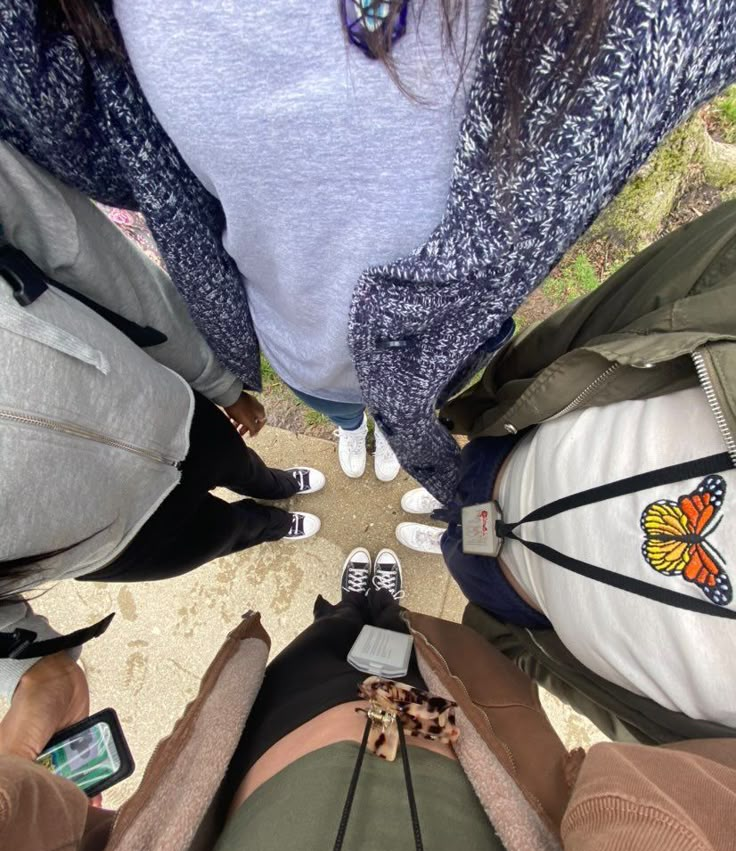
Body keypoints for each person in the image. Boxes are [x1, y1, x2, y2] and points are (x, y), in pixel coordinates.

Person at [0, 2, 734, 501]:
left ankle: (392, 434)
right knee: (339, 406)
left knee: (423, 407)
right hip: (296, 330)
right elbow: (66, 119)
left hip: (448, 344)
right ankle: (357, 429)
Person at [0, 549, 735, 851]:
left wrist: (17, 753)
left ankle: (355, 611)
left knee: (331, 649)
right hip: (461, 761)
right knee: (412, 656)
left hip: (281, 753)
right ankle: (377, 608)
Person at [398, 201, 736, 743]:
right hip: (520, 448)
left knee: (459, 556)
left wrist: (513, 645)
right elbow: (666, 288)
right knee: (460, 489)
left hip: (518, 597)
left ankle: (449, 529)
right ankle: (447, 509)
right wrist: (514, 384)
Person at [0, 142, 324, 700]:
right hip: (115, 543)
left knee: (239, 461)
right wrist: (26, 676)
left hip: (164, 408)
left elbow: (92, 259)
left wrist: (217, 381)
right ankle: (265, 526)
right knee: (221, 534)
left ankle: (271, 486)